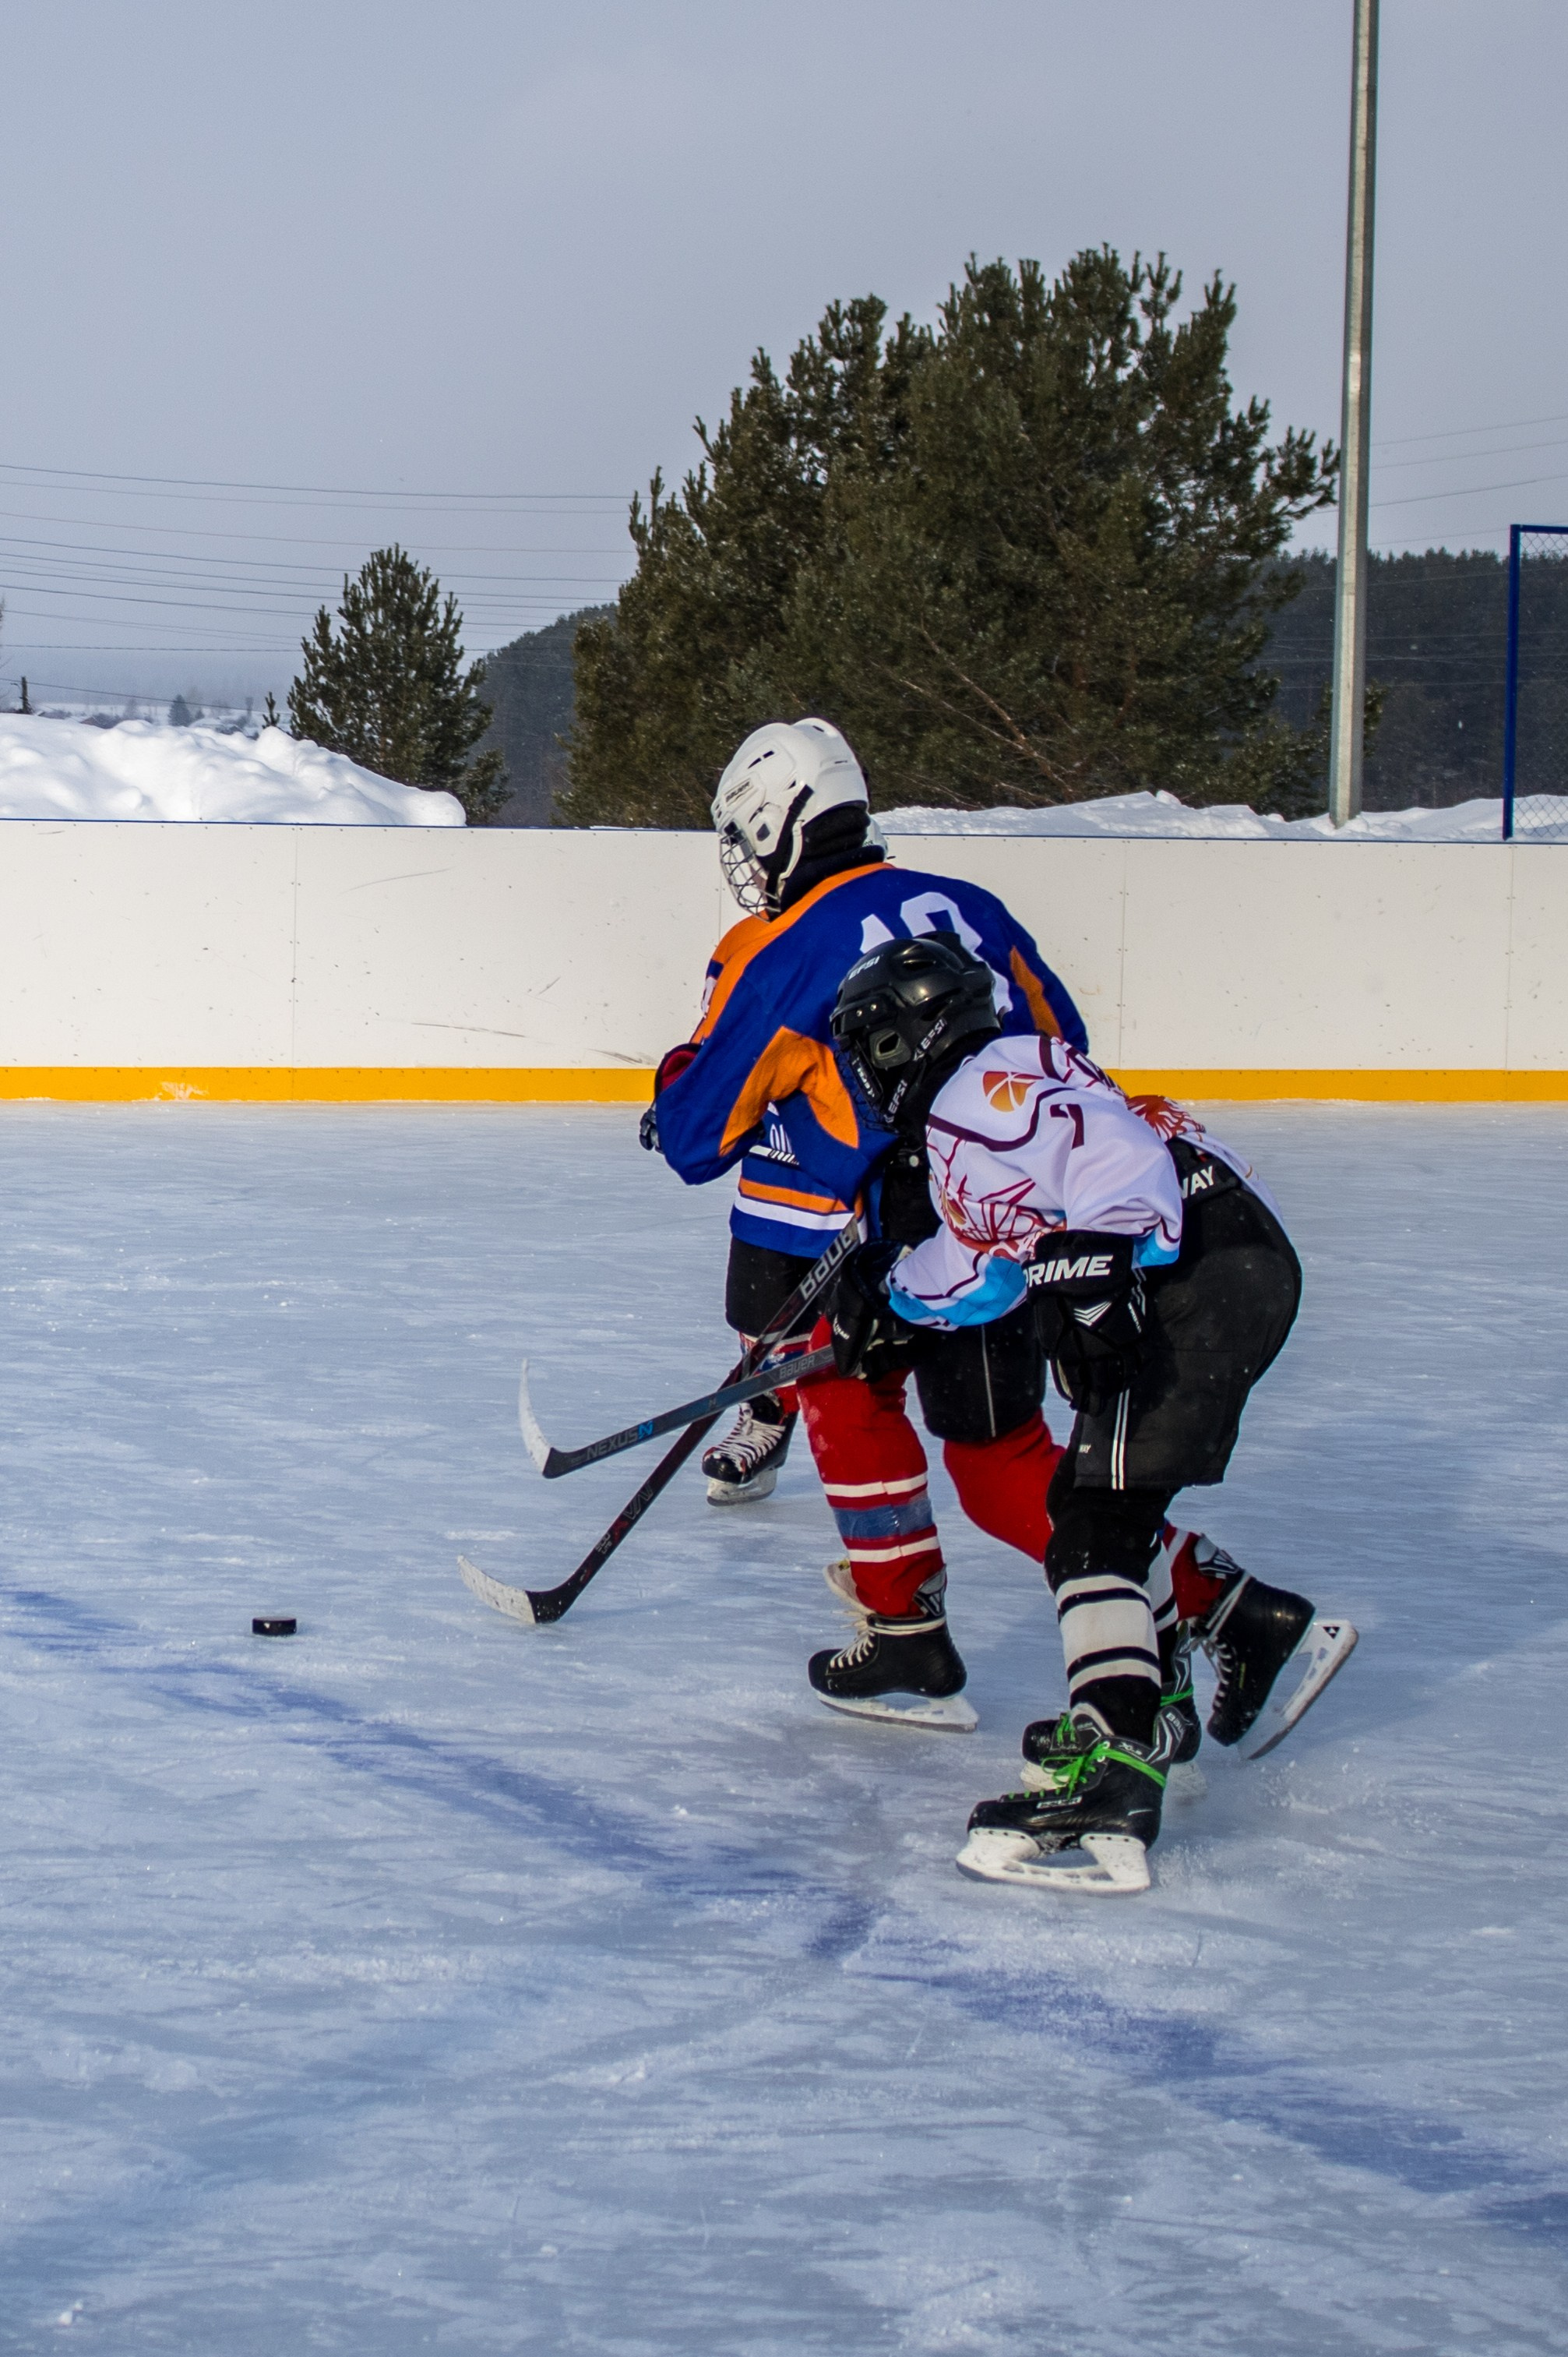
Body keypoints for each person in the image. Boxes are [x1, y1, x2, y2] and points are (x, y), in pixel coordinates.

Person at [648, 717, 1334, 1772]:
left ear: (775, 828)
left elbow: (699, 1137)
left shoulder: (784, 948)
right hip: (996, 1222)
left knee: (838, 1398)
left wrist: (683, 1083)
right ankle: (1216, 1601)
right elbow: (1061, 1046)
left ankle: (907, 1634)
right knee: (995, 1454)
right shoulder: (970, 908)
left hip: (848, 1238)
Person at [825, 932, 1357, 1893]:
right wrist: (892, 1299)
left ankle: (1115, 1766)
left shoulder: (985, 1085)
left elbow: (1112, 1157)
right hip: (1210, 1265)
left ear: (908, 1037)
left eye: (870, 1047)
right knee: (1095, 1509)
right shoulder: (965, 1131)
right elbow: (979, 1265)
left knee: (1093, 1532)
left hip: (1199, 1272)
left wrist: (1103, 1264)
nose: (867, 1072)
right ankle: (1200, 1666)